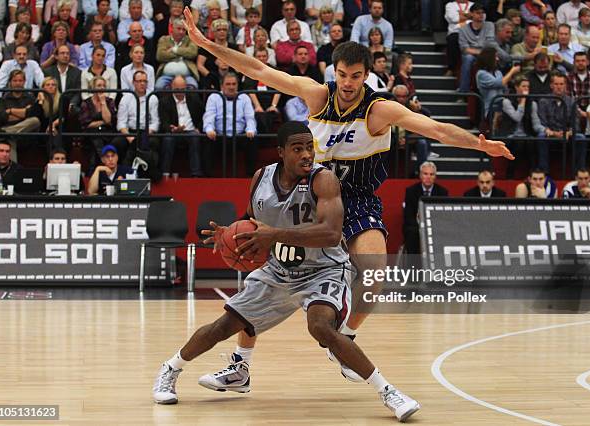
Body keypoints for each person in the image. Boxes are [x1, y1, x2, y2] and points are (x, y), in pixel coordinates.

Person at [183, 7, 514, 386]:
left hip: (356, 197)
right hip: (308, 196)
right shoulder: (316, 95)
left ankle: (348, 336)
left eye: (356, 76)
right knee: (264, 273)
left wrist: (478, 144)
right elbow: (258, 70)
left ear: (366, 75)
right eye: (342, 75)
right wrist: (209, 45)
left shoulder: (379, 109)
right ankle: (241, 365)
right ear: (334, 72)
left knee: (374, 273)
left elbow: (435, 128)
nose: (348, 83)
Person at [152, 121, 421, 422]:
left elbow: (332, 234)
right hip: (279, 271)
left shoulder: (324, 180)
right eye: (298, 149)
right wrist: (232, 233)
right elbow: (255, 221)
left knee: (320, 327)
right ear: (281, 153)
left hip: (324, 269)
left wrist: (274, 235)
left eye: (310, 147)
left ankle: (388, 392)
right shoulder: (260, 179)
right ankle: (171, 369)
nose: (307, 154)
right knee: (223, 326)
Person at [202, 72, 257, 176]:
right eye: (228, 84)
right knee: (206, 139)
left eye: (234, 84)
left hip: (239, 135)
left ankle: (250, 175)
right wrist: (209, 129)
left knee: (252, 139)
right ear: (222, 85)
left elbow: (250, 117)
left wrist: (250, 130)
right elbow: (209, 115)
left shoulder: (244, 97)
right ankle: (207, 176)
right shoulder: (214, 97)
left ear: (237, 85)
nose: (231, 87)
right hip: (219, 136)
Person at [158, 75, 204, 177]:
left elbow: (203, 116)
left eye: (182, 89)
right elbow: (163, 122)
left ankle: (196, 174)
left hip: (191, 131)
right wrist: (172, 128)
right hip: (173, 132)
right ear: (171, 87)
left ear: (186, 87)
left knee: (195, 137)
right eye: (177, 89)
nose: (180, 92)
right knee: (167, 139)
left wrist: (198, 128)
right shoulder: (164, 101)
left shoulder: (194, 99)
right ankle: (164, 173)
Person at [0, 69, 41, 162]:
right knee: (10, 139)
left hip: (26, 134)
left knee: (35, 121)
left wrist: (10, 111)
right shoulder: (4, 98)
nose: (18, 83)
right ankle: (13, 173)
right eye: (15, 81)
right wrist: (22, 113)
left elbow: (32, 114)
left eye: (20, 81)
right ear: (10, 82)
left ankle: (5, 133)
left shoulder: (30, 97)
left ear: (24, 82)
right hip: (12, 134)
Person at [114, 70, 159, 165]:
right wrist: (129, 137)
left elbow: (155, 122)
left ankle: (148, 173)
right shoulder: (126, 98)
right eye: (139, 81)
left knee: (153, 142)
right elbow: (121, 123)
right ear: (133, 83)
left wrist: (146, 134)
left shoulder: (153, 98)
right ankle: (122, 171)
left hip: (146, 132)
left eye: (144, 81)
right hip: (130, 131)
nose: (142, 84)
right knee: (117, 142)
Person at [403, 161, 448, 255]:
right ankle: (413, 267)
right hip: (416, 226)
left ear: (435, 176)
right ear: (420, 175)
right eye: (425, 174)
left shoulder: (442, 192)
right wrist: (421, 227)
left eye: (431, 174)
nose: (428, 177)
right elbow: (408, 215)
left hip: (435, 226)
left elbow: (444, 216)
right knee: (411, 232)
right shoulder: (411, 191)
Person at [242, 48, 282, 135]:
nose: (261, 58)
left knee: (272, 114)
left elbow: (278, 89)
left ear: (267, 57)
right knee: (259, 116)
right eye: (259, 56)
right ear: (255, 58)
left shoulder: (274, 70)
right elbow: (250, 91)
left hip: (271, 102)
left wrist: (273, 105)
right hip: (256, 103)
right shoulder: (249, 71)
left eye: (264, 56)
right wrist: (257, 106)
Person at [79, 76, 117, 166]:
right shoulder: (86, 103)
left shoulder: (109, 101)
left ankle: (95, 167)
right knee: (96, 137)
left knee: (99, 138)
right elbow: (86, 124)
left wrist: (103, 102)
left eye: (104, 86)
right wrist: (102, 122)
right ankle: (103, 161)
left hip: (107, 132)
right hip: (90, 134)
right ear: (93, 88)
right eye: (99, 85)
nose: (102, 88)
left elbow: (108, 120)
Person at [458, 3, 496, 93]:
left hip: (487, 53)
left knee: (492, 55)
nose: (481, 15)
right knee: (468, 58)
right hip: (472, 55)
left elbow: (489, 44)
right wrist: (480, 52)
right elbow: (464, 49)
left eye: (482, 13)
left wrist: (480, 52)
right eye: (478, 13)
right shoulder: (463, 29)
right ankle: (463, 91)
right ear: (471, 14)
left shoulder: (489, 25)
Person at [475, 46, 521, 119]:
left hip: (503, 104)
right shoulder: (481, 74)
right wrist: (512, 71)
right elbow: (499, 83)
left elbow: (504, 88)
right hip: (492, 107)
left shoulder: (498, 72)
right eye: (495, 56)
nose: (497, 59)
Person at [156, 17, 199, 89]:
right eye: (179, 29)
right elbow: (160, 55)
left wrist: (174, 50)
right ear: (172, 28)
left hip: (187, 76)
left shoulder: (190, 39)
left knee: (193, 86)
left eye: (183, 30)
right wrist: (183, 52)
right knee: (159, 86)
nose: (181, 32)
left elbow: (193, 53)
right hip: (167, 75)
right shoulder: (164, 39)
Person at [43, 44, 82, 110]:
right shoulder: (48, 72)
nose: (65, 56)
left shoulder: (77, 72)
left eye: (67, 53)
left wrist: (72, 103)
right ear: (56, 56)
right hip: (53, 105)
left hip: (70, 106)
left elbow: (78, 93)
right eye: (62, 53)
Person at [445, 0, 474, 76]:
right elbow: (453, 19)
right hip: (455, 32)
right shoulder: (450, 5)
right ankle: (451, 68)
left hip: (471, 32)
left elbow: (478, 18)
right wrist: (469, 16)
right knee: (453, 39)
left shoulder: (473, 5)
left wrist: (461, 16)